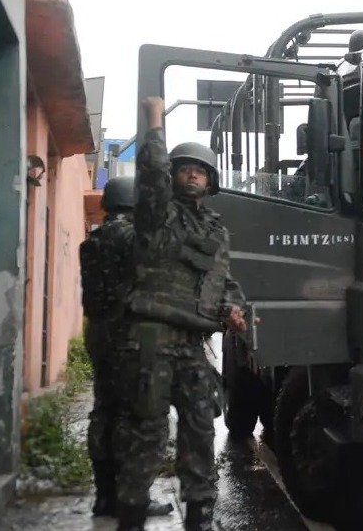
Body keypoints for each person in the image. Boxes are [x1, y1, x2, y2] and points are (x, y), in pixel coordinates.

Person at [112, 96, 253, 531]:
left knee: (200, 431)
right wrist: (154, 122)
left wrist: (235, 308)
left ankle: (200, 515)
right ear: (172, 176)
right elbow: (151, 176)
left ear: (209, 180)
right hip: (151, 339)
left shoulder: (214, 229)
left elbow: (222, 281)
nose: (192, 173)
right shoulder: (157, 215)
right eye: (184, 167)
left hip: (192, 345)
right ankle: (130, 515)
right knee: (147, 434)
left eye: (200, 169)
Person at [79, 176, 174, 519]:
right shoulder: (131, 238)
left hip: (98, 333)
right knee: (135, 415)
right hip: (126, 336)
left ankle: (104, 496)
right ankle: (132, 498)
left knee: (102, 411)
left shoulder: (93, 240)